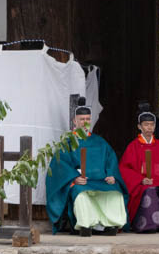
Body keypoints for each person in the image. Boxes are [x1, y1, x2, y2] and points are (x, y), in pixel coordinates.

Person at [45, 99, 128, 236]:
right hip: (82, 182)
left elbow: (110, 160)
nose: (85, 122)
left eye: (87, 119)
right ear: (74, 121)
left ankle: (110, 224)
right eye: (81, 119)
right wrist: (74, 179)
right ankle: (86, 225)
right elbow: (60, 165)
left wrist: (111, 175)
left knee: (115, 191)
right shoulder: (67, 142)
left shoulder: (100, 142)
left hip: (101, 181)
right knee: (81, 192)